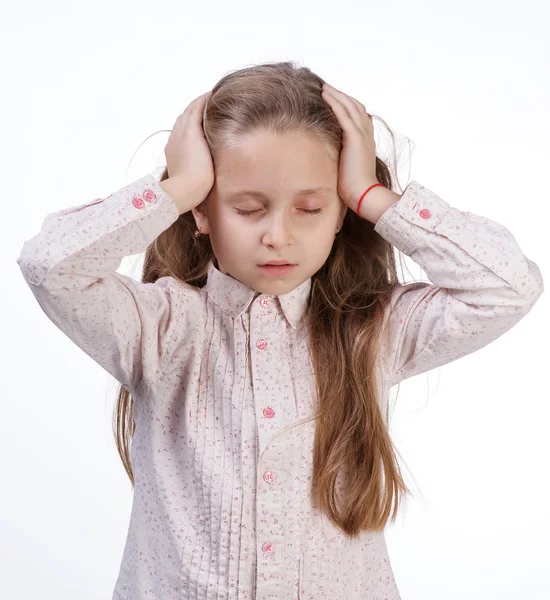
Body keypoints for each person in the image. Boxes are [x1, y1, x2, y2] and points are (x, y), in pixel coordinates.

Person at [16, 61, 544, 600]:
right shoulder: (159, 328)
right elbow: (48, 265)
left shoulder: (371, 329)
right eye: (247, 209)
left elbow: (508, 287)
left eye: (311, 208)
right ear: (203, 213)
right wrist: (178, 188)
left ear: (339, 213)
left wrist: (372, 196)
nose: (278, 236)